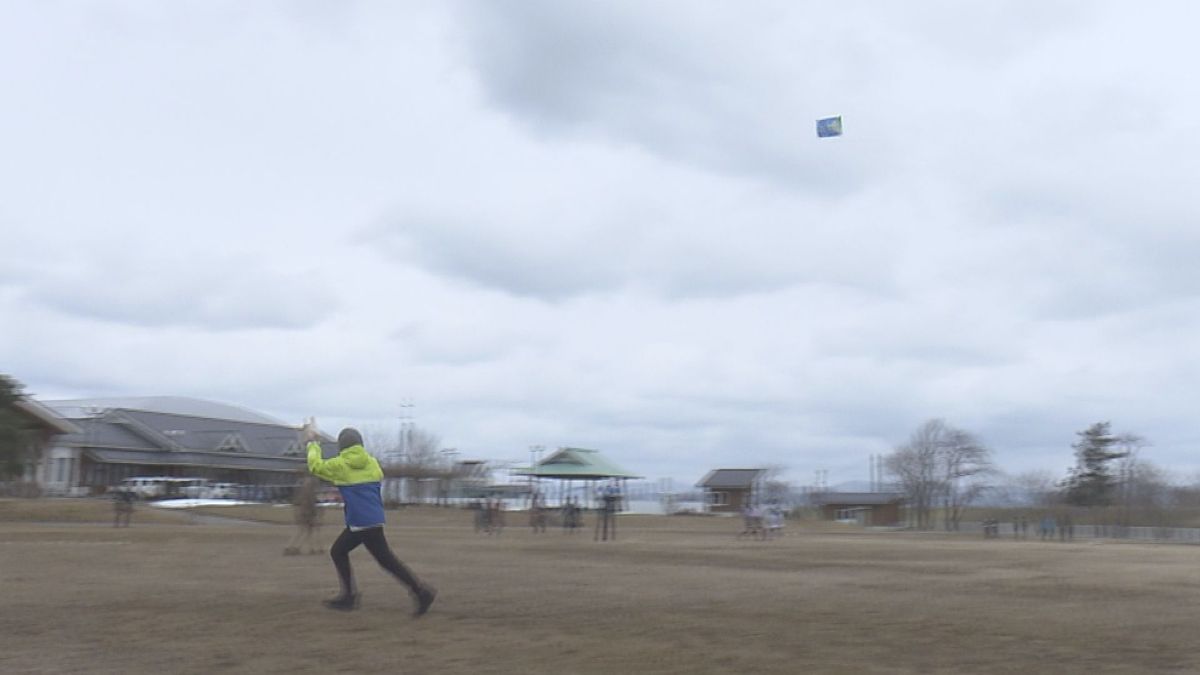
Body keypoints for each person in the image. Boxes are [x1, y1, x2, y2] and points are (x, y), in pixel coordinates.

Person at [305, 423, 436, 615]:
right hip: (374, 518)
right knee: (378, 558)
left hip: (359, 522)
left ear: (342, 446)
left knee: (345, 553)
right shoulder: (372, 463)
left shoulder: (340, 465)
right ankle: (418, 592)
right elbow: (377, 477)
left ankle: (352, 597)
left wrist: (313, 443)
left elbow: (315, 466)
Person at [284, 474, 322, 556]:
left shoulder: (302, 486)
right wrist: (314, 512)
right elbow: (310, 501)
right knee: (304, 530)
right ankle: (292, 547)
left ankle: (308, 548)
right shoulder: (309, 488)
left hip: (302, 510)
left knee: (307, 530)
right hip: (306, 511)